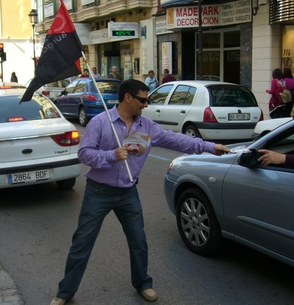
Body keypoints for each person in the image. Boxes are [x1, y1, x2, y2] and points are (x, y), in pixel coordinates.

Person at [49, 79, 229, 305]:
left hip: (127, 192)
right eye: (143, 100)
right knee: (82, 243)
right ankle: (65, 292)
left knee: (138, 241)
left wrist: (210, 147)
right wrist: (111, 155)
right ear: (128, 98)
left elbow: (177, 140)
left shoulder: (147, 127)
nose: (146, 104)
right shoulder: (100, 122)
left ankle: (143, 283)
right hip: (98, 192)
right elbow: (84, 154)